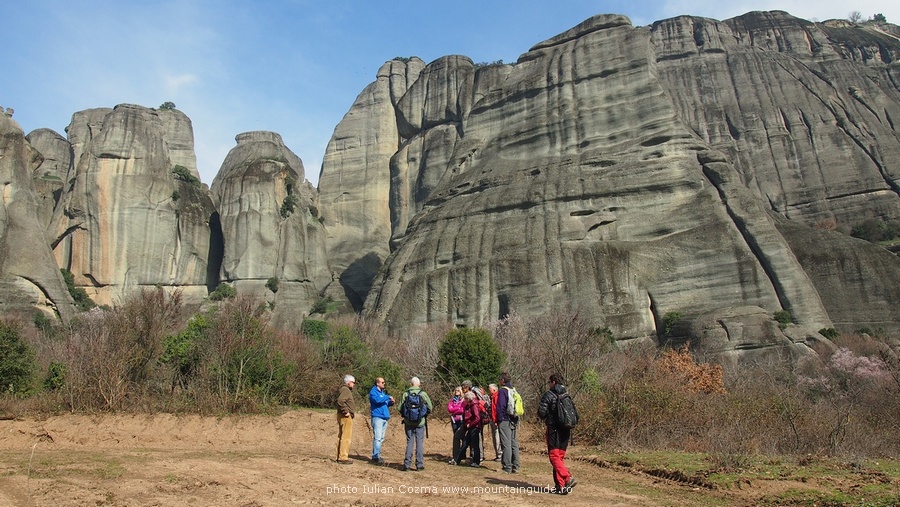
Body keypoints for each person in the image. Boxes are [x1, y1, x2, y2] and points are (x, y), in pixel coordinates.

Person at [537, 373, 578, 494]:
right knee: (559, 458)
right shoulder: (566, 395)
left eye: (549, 382)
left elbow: (541, 413)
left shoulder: (549, 395)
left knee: (554, 457)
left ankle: (567, 478)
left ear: (553, 382)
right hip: (566, 429)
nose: (549, 384)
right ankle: (560, 486)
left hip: (554, 429)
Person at [400, 376, 433, 471]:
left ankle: (407, 464)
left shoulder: (406, 394)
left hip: (408, 422)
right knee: (419, 443)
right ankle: (419, 465)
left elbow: (399, 408)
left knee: (409, 442)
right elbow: (430, 407)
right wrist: (423, 414)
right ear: (419, 384)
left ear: (411, 384)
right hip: (420, 423)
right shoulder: (423, 394)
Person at [450, 391, 484, 467]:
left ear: (468, 399)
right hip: (470, 427)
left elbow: (477, 418)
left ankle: (476, 462)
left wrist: (470, 424)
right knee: (465, 444)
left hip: (475, 428)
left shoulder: (474, 405)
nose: (464, 400)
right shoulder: (469, 405)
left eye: (465, 399)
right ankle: (457, 460)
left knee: (475, 445)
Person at [496, 372, 521, 474]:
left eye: (499, 380)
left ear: (502, 380)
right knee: (513, 443)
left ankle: (507, 467)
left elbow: (501, 406)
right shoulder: (513, 389)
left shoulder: (503, 391)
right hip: (513, 419)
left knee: (505, 443)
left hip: (505, 419)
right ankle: (516, 465)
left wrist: (499, 419)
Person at [368, 377, 395, 465]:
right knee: (378, 438)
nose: (384, 384)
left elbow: (385, 403)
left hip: (384, 418)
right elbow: (377, 400)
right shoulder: (373, 392)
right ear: (377, 383)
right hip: (377, 418)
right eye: (382, 382)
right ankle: (375, 457)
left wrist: (391, 402)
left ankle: (378, 455)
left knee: (381, 438)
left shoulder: (382, 393)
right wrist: (387, 397)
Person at [335, 374, 356, 464]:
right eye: (353, 382)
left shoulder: (343, 389)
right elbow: (340, 400)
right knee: (346, 437)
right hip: (345, 416)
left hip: (341, 415)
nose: (354, 384)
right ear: (349, 382)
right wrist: (346, 411)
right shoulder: (346, 390)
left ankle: (339, 456)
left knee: (341, 436)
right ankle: (343, 457)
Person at [447, 386, 465, 462]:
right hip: (454, 420)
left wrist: (455, 409)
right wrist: (457, 408)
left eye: (458, 390)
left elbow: (462, 410)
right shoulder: (452, 400)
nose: (456, 391)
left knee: (462, 436)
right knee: (456, 437)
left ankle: (463, 454)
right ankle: (456, 455)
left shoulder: (463, 400)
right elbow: (449, 409)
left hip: (461, 420)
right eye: (455, 390)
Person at [488, 383, 501, 461]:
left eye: (489, 389)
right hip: (492, 419)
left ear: (494, 389)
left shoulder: (497, 397)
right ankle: (497, 454)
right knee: (494, 437)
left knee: (497, 437)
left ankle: (500, 454)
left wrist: (496, 420)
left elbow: (497, 410)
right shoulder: (492, 397)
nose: (488, 390)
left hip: (496, 420)